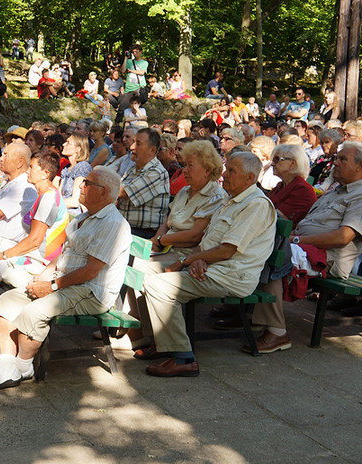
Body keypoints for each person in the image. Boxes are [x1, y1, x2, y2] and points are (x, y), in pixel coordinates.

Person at [0, 165, 131, 391]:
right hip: (67, 283)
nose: (81, 186)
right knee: (8, 300)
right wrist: (42, 277)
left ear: (104, 192)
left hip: (90, 291)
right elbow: (64, 257)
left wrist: (52, 286)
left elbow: (91, 271)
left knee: (34, 311)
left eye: (87, 183)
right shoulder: (84, 217)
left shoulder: (113, 224)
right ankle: (6, 367)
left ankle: (23, 366)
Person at [138, 152, 276, 375]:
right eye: (226, 168)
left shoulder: (256, 205)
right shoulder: (231, 200)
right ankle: (161, 342)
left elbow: (227, 250)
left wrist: (186, 261)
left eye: (232, 171)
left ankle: (183, 358)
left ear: (250, 178)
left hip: (232, 276)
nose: (225, 174)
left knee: (157, 285)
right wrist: (197, 259)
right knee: (142, 272)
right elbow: (209, 243)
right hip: (213, 269)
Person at [244, 142, 362, 351]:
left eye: (343, 159)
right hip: (303, 246)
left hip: (328, 258)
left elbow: (344, 237)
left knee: (275, 253)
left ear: (360, 167)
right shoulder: (336, 191)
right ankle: (243, 310)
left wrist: (296, 240)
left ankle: (277, 332)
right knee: (255, 244)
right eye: (337, 158)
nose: (336, 163)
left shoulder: (359, 196)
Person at [120, 140, 226, 350]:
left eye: (190, 166)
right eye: (184, 164)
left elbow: (195, 235)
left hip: (189, 253)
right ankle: (137, 325)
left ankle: (146, 331)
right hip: (170, 249)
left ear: (207, 169)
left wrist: (161, 241)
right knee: (129, 260)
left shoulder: (215, 196)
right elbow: (166, 223)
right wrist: (157, 242)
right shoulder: (186, 191)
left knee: (141, 268)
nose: (184, 170)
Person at [0, 151, 68, 353]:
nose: (28, 171)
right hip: (30, 258)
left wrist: (5, 254)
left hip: (40, 265)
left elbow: (34, 240)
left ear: (45, 173)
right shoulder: (42, 194)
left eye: (32, 167)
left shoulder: (48, 198)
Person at [118, 128, 170, 238]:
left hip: (143, 233)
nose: (132, 147)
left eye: (138, 144)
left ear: (152, 150)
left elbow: (120, 192)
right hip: (126, 227)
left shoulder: (156, 172)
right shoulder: (133, 168)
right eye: (133, 142)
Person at [266, 144, 317, 226]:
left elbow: (278, 218)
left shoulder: (302, 190)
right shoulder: (281, 185)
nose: (272, 164)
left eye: (277, 159)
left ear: (292, 164)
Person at [56, 133, 92, 214]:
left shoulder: (82, 167)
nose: (64, 144)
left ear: (77, 149)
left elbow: (75, 201)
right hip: (62, 210)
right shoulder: (66, 168)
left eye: (68, 143)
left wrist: (52, 205)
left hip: (73, 214)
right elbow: (59, 195)